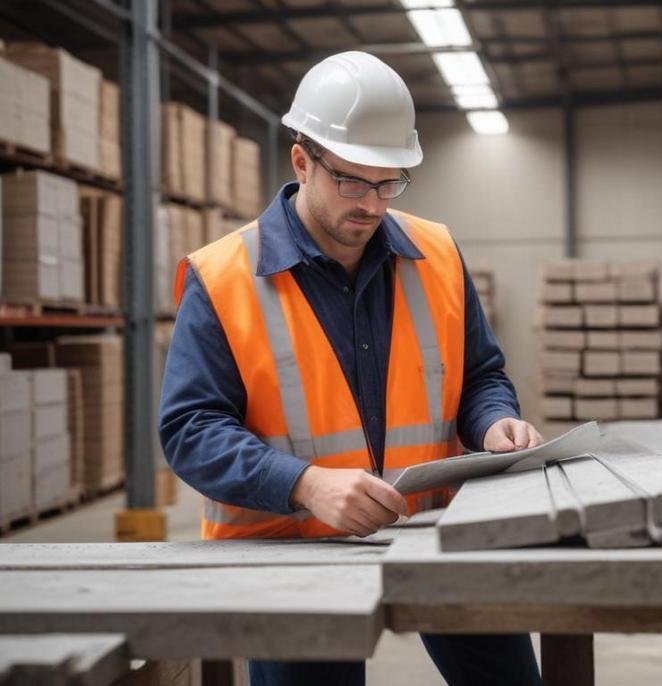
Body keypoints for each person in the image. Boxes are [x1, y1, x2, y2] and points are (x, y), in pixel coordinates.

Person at [159, 51, 544, 686]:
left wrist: (496, 421)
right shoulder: (223, 277)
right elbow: (190, 430)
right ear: (302, 161)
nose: (371, 204)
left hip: (435, 535)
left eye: (389, 182)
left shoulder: (437, 255)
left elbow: (480, 375)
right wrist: (306, 484)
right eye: (351, 182)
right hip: (289, 550)